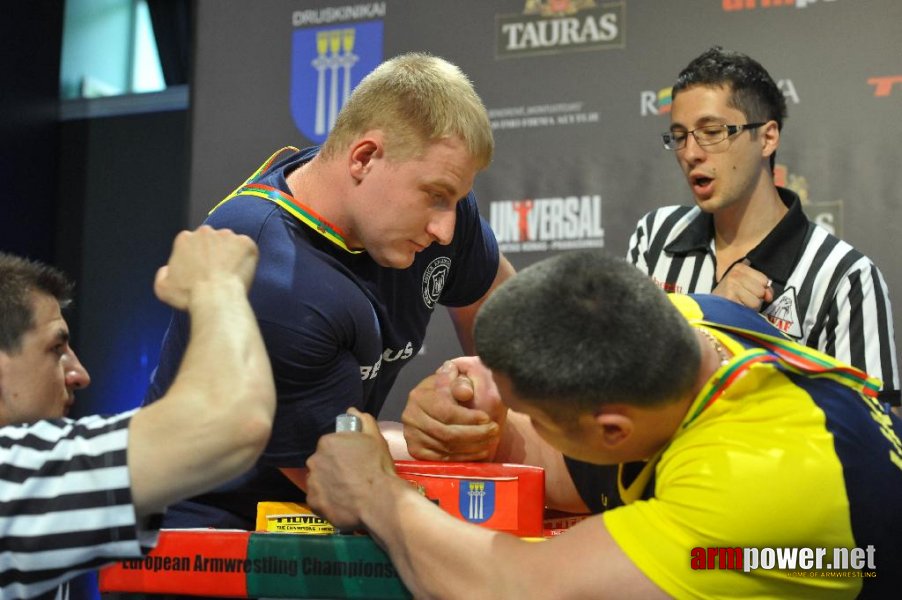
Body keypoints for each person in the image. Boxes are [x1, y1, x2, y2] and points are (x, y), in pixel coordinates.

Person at [306, 249, 902, 599]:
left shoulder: (754, 493)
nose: (524, 422)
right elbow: (571, 459)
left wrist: (375, 495)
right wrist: (484, 429)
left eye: (532, 415)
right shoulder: (685, 325)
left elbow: (513, 586)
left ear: (611, 428)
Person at [142, 52, 514, 530]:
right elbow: (339, 470)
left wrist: (476, 401)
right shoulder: (274, 272)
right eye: (435, 196)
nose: (446, 227)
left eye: (457, 200)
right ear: (364, 157)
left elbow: (516, 342)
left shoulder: (440, 217)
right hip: (209, 533)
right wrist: (436, 436)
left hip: (315, 514)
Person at [0, 227, 276, 600]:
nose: (79, 374)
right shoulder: (9, 477)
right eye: (56, 349)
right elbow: (229, 422)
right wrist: (217, 284)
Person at [627, 45, 899, 409]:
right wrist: (710, 315)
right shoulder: (656, 237)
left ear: (768, 138)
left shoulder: (844, 277)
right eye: (679, 135)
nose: (691, 152)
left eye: (712, 131)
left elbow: (875, 438)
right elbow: (617, 375)